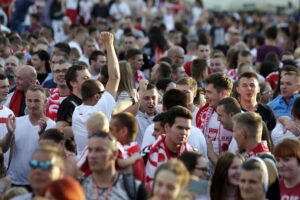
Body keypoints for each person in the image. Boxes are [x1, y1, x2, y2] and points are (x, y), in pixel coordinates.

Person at [72, 32, 120, 157]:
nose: (106, 94)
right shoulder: (100, 108)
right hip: (101, 161)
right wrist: (109, 44)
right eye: (103, 93)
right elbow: (114, 77)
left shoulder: (76, 112)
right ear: (97, 97)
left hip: (81, 165)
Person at [4, 85, 56, 188]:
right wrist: (9, 134)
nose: (32, 105)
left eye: (36, 101)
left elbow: (52, 156)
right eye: (29, 101)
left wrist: (42, 136)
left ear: (45, 102)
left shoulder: (52, 126)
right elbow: (4, 149)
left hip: (39, 184)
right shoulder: (16, 122)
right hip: (14, 182)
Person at [81, 131, 147, 199]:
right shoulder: (78, 187)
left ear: (114, 154)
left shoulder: (133, 188)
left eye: (99, 150)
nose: (92, 155)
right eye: (90, 150)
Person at [145, 106, 195, 185]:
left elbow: (201, 191)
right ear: (167, 127)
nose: (184, 132)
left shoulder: (194, 156)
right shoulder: (147, 153)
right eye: (180, 128)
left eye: (187, 129)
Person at [196, 73, 233, 159]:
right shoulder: (202, 112)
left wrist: (211, 154)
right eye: (205, 92)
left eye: (209, 92)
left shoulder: (237, 116)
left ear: (224, 93)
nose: (205, 96)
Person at [56, 64, 91, 139]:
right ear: (73, 83)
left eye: (90, 78)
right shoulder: (68, 103)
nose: (90, 81)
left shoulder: (92, 101)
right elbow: (60, 131)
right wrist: (86, 128)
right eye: (85, 78)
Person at [0, 74, 13, 166]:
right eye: (3, 87)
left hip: (5, 170)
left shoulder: (9, 113)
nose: (7, 90)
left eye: (8, 86)